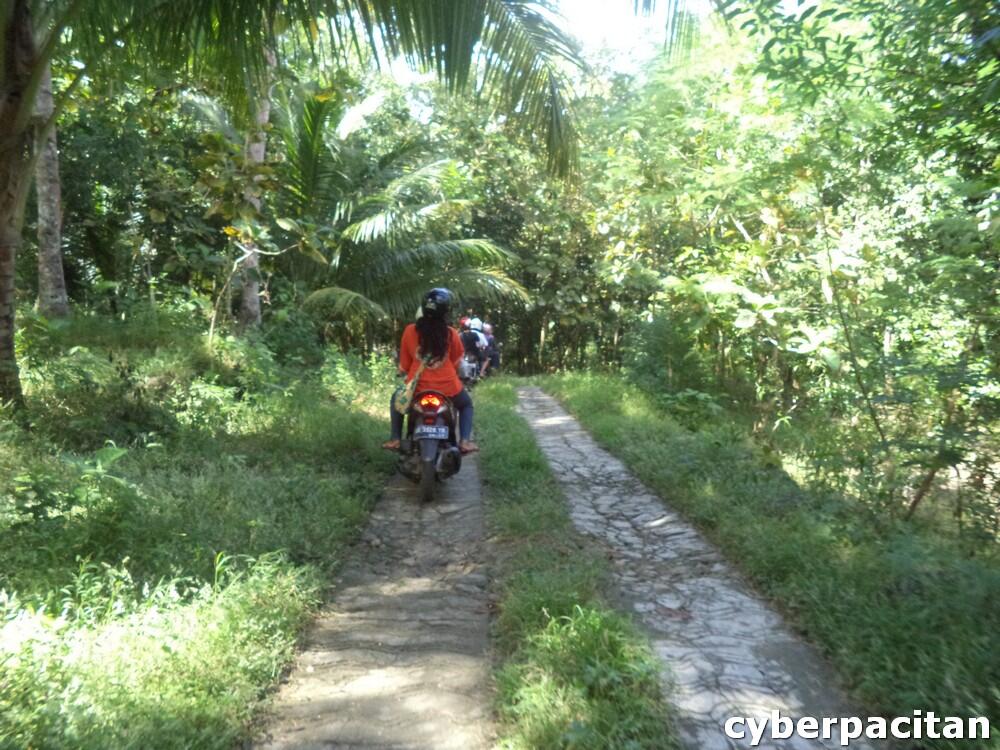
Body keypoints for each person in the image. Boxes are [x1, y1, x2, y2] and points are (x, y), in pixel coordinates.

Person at [383, 288, 478, 454]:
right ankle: (464, 441)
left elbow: (404, 365)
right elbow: (456, 360)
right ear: (446, 311)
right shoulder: (451, 333)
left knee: (395, 400)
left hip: (417, 388)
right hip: (449, 389)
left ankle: (395, 439)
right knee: (466, 405)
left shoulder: (409, 331)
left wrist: (406, 370)